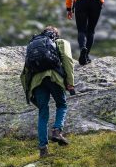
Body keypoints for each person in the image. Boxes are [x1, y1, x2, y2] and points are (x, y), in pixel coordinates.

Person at [20, 26, 75, 158]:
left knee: (43, 113)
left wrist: (28, 92)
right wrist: (70, 83)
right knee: (61, 105)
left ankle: (43, 148)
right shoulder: (60, 42)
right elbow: (67, 59)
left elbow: (26, 70)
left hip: (36, 82)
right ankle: (57, 130)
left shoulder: (32, 44)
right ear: (56, 34)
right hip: (54, 77)